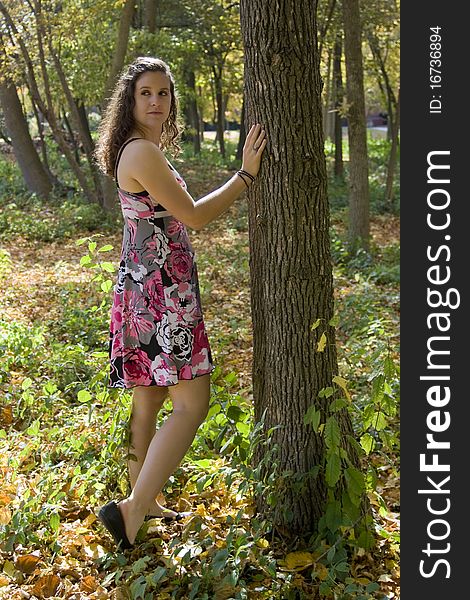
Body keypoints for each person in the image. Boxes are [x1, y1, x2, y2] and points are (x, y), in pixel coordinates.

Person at [93, 56, 267, 549]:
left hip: (143, 289)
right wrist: (245, 177)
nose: (155, 102)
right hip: (163, 294)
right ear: (130, 100)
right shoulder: (142, 153)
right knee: (192, 404)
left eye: (163, 93)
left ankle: (143, 504)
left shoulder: (139, 148)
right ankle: (131, 511)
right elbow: (193, 216)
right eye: (145, 93)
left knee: (147, 400)